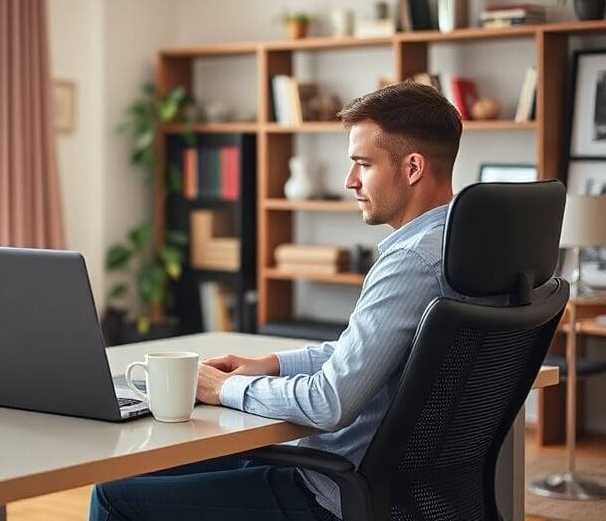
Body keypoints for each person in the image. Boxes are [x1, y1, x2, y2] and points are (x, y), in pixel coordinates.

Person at [90, 81, 463, 521]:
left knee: (112, 494)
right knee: (140, 474)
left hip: (330, 494)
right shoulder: (463, 246)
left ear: (413, 167)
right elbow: (372, 352)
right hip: (403, 491)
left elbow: (329, 402)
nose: (350, 181)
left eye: (363, 164)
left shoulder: (410, 262)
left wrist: (221, 388)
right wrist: (271, 364)